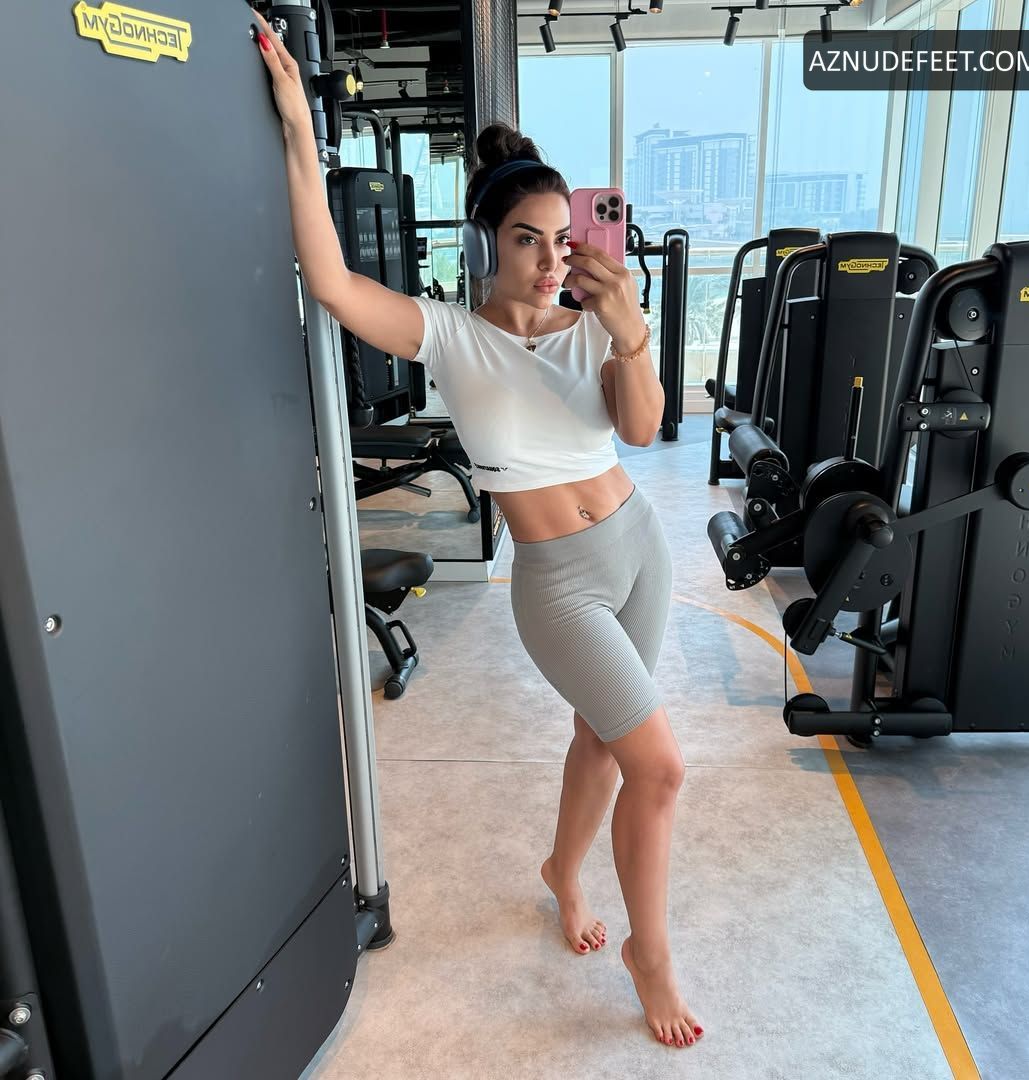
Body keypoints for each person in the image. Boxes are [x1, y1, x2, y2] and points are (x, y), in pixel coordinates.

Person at [253, 12, 703, 1050]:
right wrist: (300, 136)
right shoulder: (449, 335)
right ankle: (651, 953)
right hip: (561, 580)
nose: (548, 259)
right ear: (486, 240)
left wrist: (632, 333)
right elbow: (331, 283)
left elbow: (642, 430)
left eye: (561, 238)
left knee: (604, 742)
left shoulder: (596, 325)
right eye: (525, 238)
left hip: (638, 545)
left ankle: (562, 873)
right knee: (661, 767)